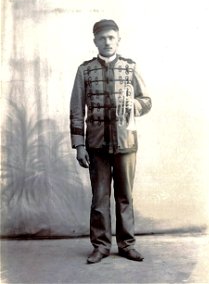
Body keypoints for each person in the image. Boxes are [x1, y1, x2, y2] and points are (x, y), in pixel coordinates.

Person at [70, 19, 152, 264]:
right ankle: (101, 246)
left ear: (118, 40)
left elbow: (147, 100)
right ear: (95, 41)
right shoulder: (84, 70)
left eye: (111, 37)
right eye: (102, 38)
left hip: (126, 142)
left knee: (125, 196)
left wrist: (135, 104)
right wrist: (79, 145)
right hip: (96, 145)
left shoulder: (130, 67)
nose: (107, 42)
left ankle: (127, 245)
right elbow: (76, 109)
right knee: (100, 197)